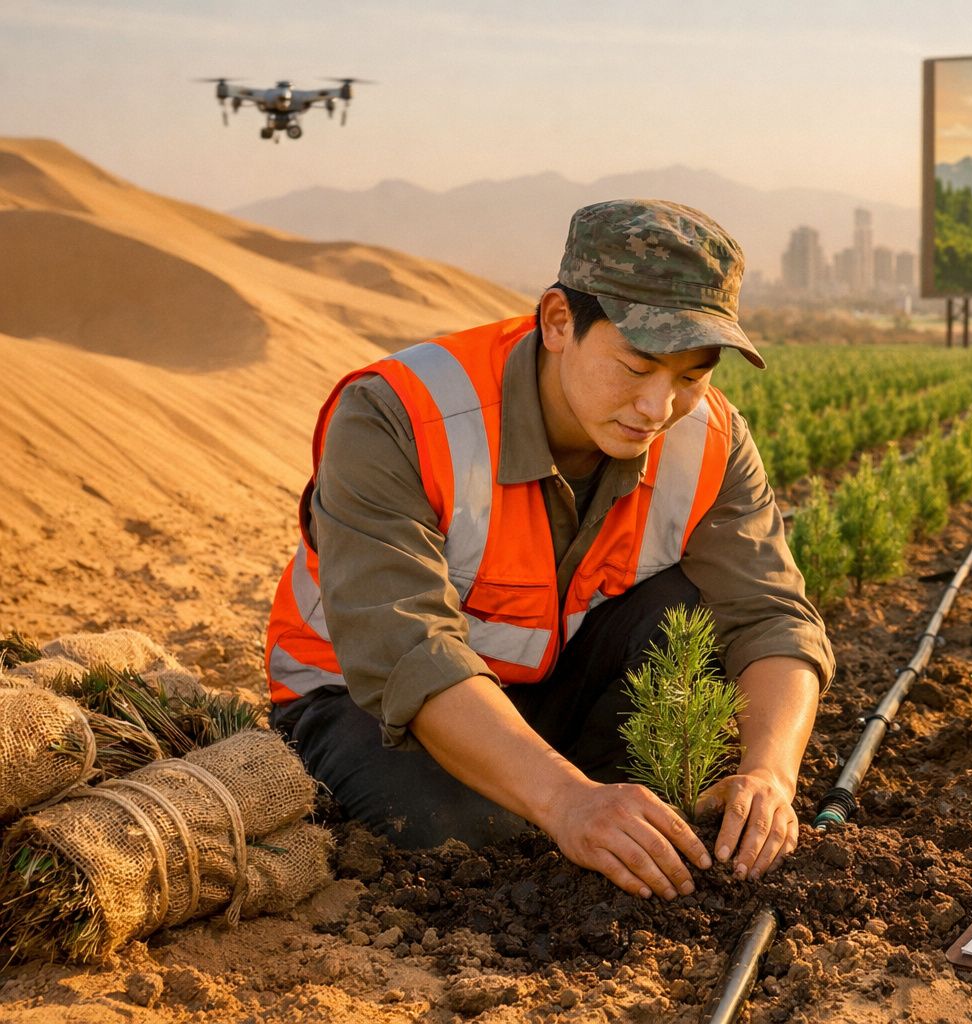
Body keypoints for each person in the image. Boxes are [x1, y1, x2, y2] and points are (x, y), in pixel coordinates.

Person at [265, 199, 833, 902]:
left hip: (549, 681)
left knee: (690, 645)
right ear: (559, 322)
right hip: (367, 702)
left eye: (691, 377)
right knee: (473, 838)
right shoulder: (399, 415)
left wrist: (771, 773)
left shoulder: (711, 437)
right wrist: (567, 801)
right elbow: (408, 650)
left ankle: (583, 794)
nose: (658, 409)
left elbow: (771, 615)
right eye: (637, 366)